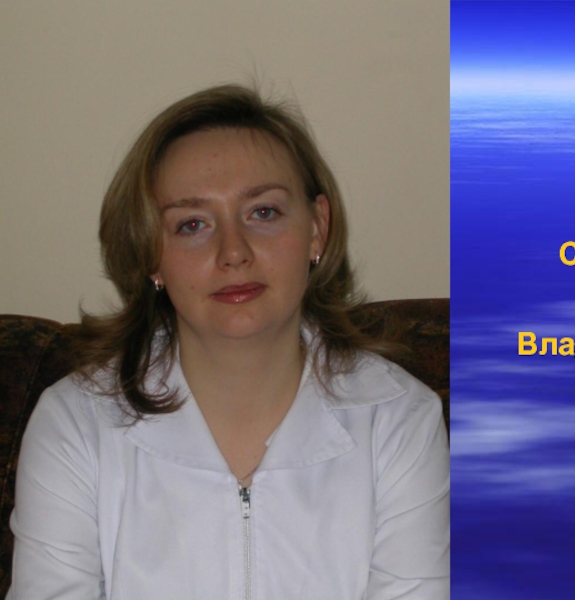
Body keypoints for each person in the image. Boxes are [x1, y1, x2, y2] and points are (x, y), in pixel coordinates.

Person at [7, 85, 450, 599]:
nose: (233, 252)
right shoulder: (75, 425)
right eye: (192, 224)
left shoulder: (398, 421)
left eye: (263, 212)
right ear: (150, 254)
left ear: (317, 228)